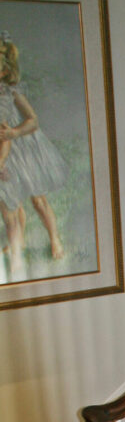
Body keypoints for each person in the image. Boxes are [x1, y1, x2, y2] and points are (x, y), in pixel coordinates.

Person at [0, 32, 67, 270]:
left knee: (38, 199)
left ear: (5, 71)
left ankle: (54, 238)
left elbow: (33, 121)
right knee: (13, 200)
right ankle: (19, 243)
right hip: (4, 150)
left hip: (25, 146)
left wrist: (14, 133)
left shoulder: (12, 92)